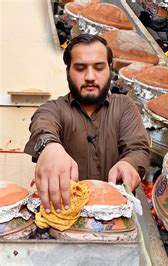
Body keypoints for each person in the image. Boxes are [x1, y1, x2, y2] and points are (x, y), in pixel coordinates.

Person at [24, 34, 150, 214]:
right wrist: (49, 147)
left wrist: (130, 163)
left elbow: (138, 149)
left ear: (110, 69)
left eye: (99, 68)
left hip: (116, 217)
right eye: (80, 68)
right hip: (65, 215)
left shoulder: (124, 106)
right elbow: (42, 125)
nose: (90, 77)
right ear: (68, 71)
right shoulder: (54, 109)